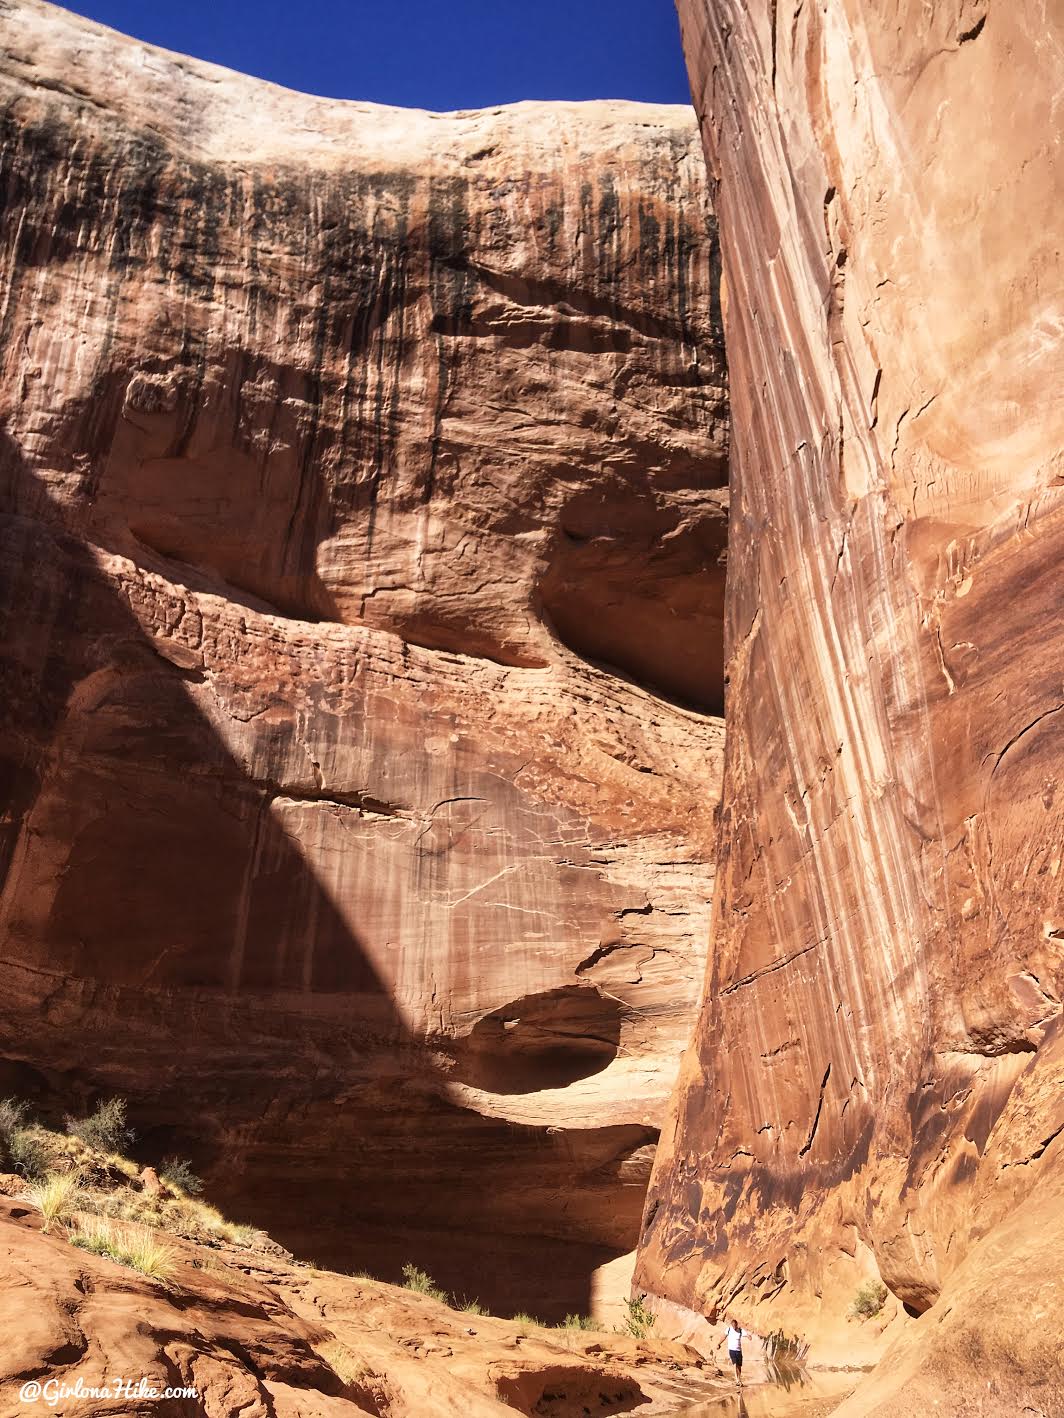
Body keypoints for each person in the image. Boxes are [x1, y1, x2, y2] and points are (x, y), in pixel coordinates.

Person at [720, 1315, 748, 1386]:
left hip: (739, 1350)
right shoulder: (728, 1330)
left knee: (739, 1366)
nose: (734, 1327)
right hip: (732, 1350)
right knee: (735, 1364)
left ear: (737, 1325)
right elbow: (724, 1337)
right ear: (731, 1325)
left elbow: (746, 1334)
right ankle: (737, 1380)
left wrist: (749, 1336)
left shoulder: (740, 1330)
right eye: (733, 1326)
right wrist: (719, 1343)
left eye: (735, 1326)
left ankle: (739, 1379)